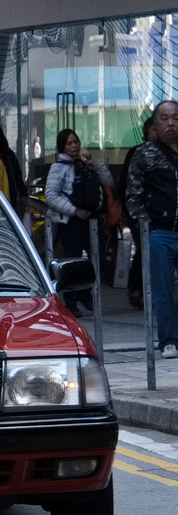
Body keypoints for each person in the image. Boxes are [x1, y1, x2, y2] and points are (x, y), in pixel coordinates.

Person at [127, 99, 178, 355]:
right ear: (155, 124)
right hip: (160, 233)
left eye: (176, 118)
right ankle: (169, 340)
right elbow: (132, 196)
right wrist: (147, 226)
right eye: (165, 118)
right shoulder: (145, 153)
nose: (171, 123)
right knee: (162, 290)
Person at [46, 129, 113, 315]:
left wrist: (96, 165)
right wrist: (75, 211)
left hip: (92, 219)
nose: (74, 146)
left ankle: (84, 291)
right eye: (69, 143)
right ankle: (71, 301)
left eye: (75, 141)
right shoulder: (58, 167)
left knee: (98, 258)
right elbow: (50, 195)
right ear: (62, 147)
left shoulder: (85, 164)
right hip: (71, 221)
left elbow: (108, 182)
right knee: (73, 261)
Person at [128, 117, 156, 308]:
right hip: (142, 216)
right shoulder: (139, 153)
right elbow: (128, 187)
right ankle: (136, 288)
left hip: (165, 218)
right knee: (143, 251)